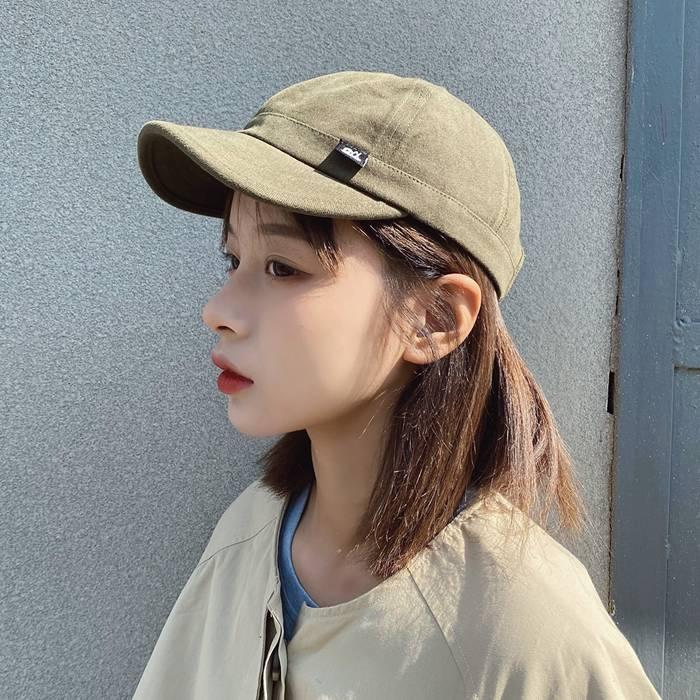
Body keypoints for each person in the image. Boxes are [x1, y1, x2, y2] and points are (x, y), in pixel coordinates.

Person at [131, 70, 662, 699]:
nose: (218, 310)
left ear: (434, 319)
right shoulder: (248, 534)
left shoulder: (523, 624)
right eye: (233, 260)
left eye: (282, 267)